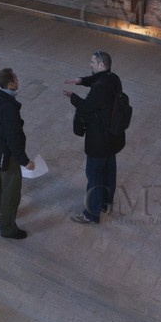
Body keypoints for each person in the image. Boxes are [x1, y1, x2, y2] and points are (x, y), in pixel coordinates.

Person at [65, 49, 125, 225]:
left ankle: (91, 213)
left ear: (101, 64)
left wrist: (73, 97)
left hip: (98, 141)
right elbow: (98, 79)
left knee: (94, 176)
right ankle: (106, 204)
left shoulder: (100, 88)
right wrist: (81, 81)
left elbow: (86, 107)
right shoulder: (113, 79)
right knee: (109, 173)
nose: (90, 64)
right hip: (112, 139)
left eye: (92, 62)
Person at [0, 67, 29, 239]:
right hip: (8, 154)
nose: (18, 80)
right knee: (11, 192)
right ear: (10, 85)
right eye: (16, 79)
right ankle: (8, 228)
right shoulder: (9, 107)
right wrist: (24, 160)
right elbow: (13, 138)